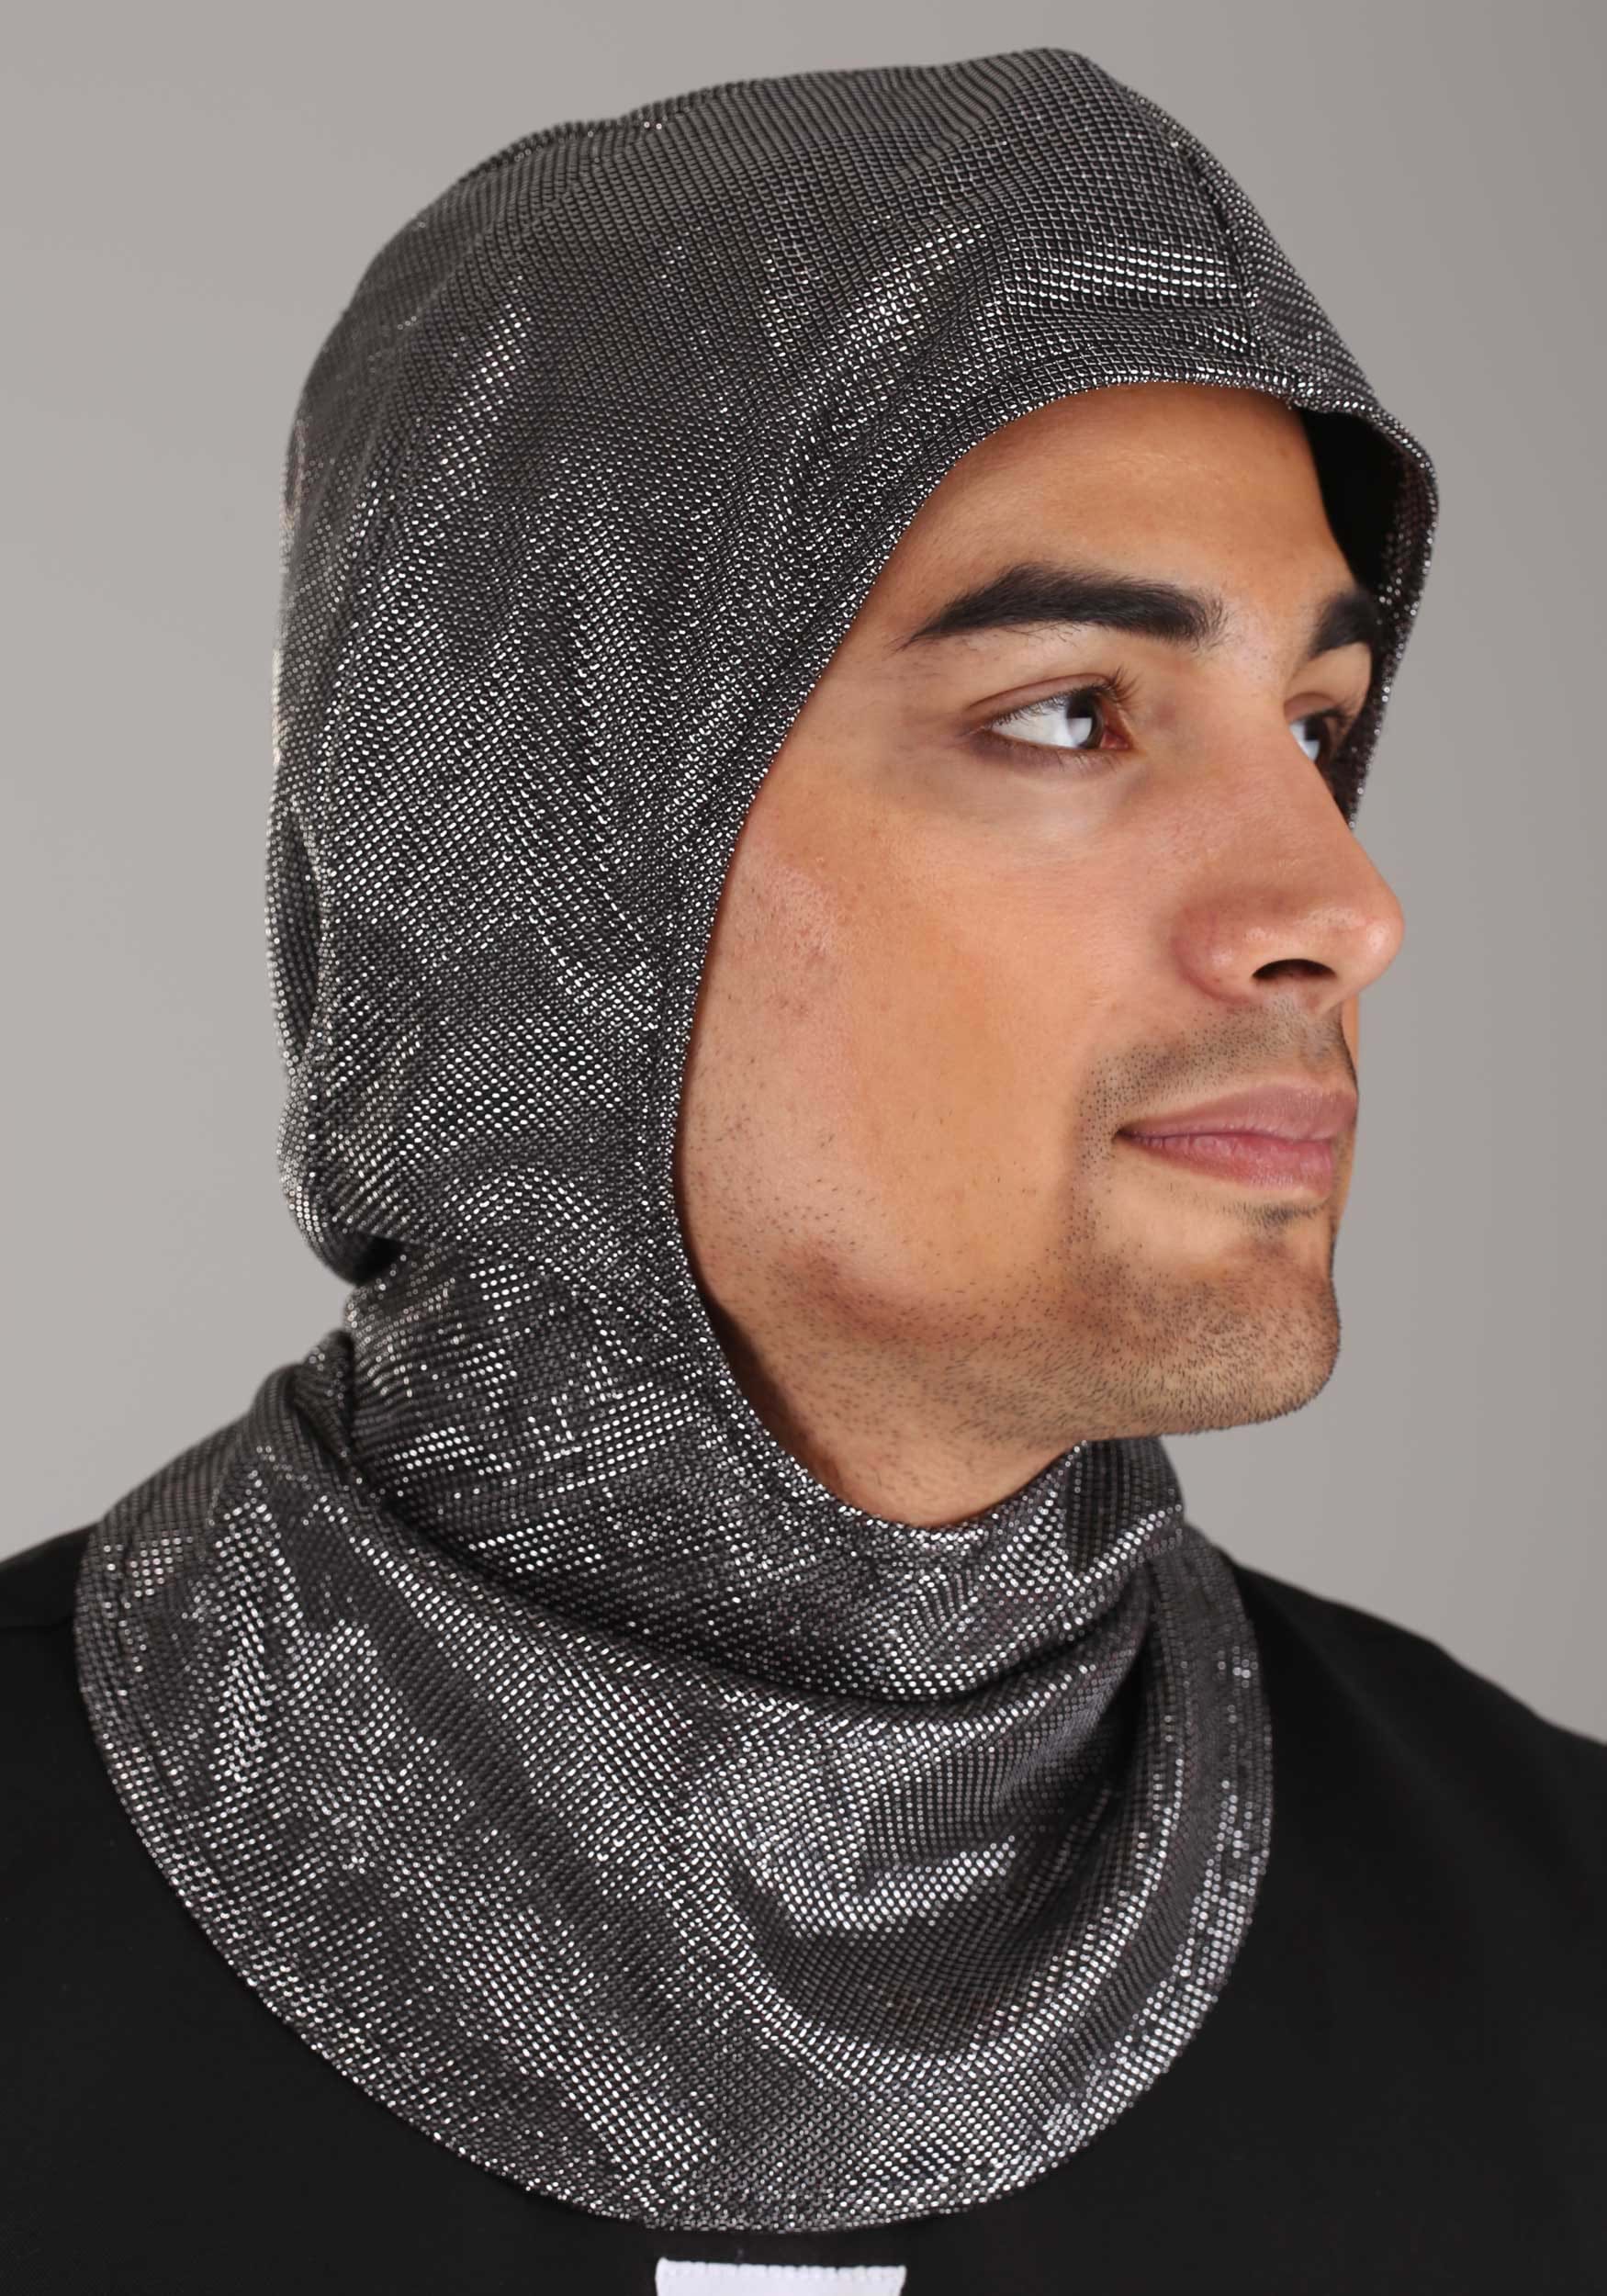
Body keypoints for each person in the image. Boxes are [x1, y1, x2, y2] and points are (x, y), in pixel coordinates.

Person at [3, 46, 1602, 2296]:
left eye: (1317, 726)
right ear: (549, 837)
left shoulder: (1553, 1968)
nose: (1336, 904)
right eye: (1067, 711)